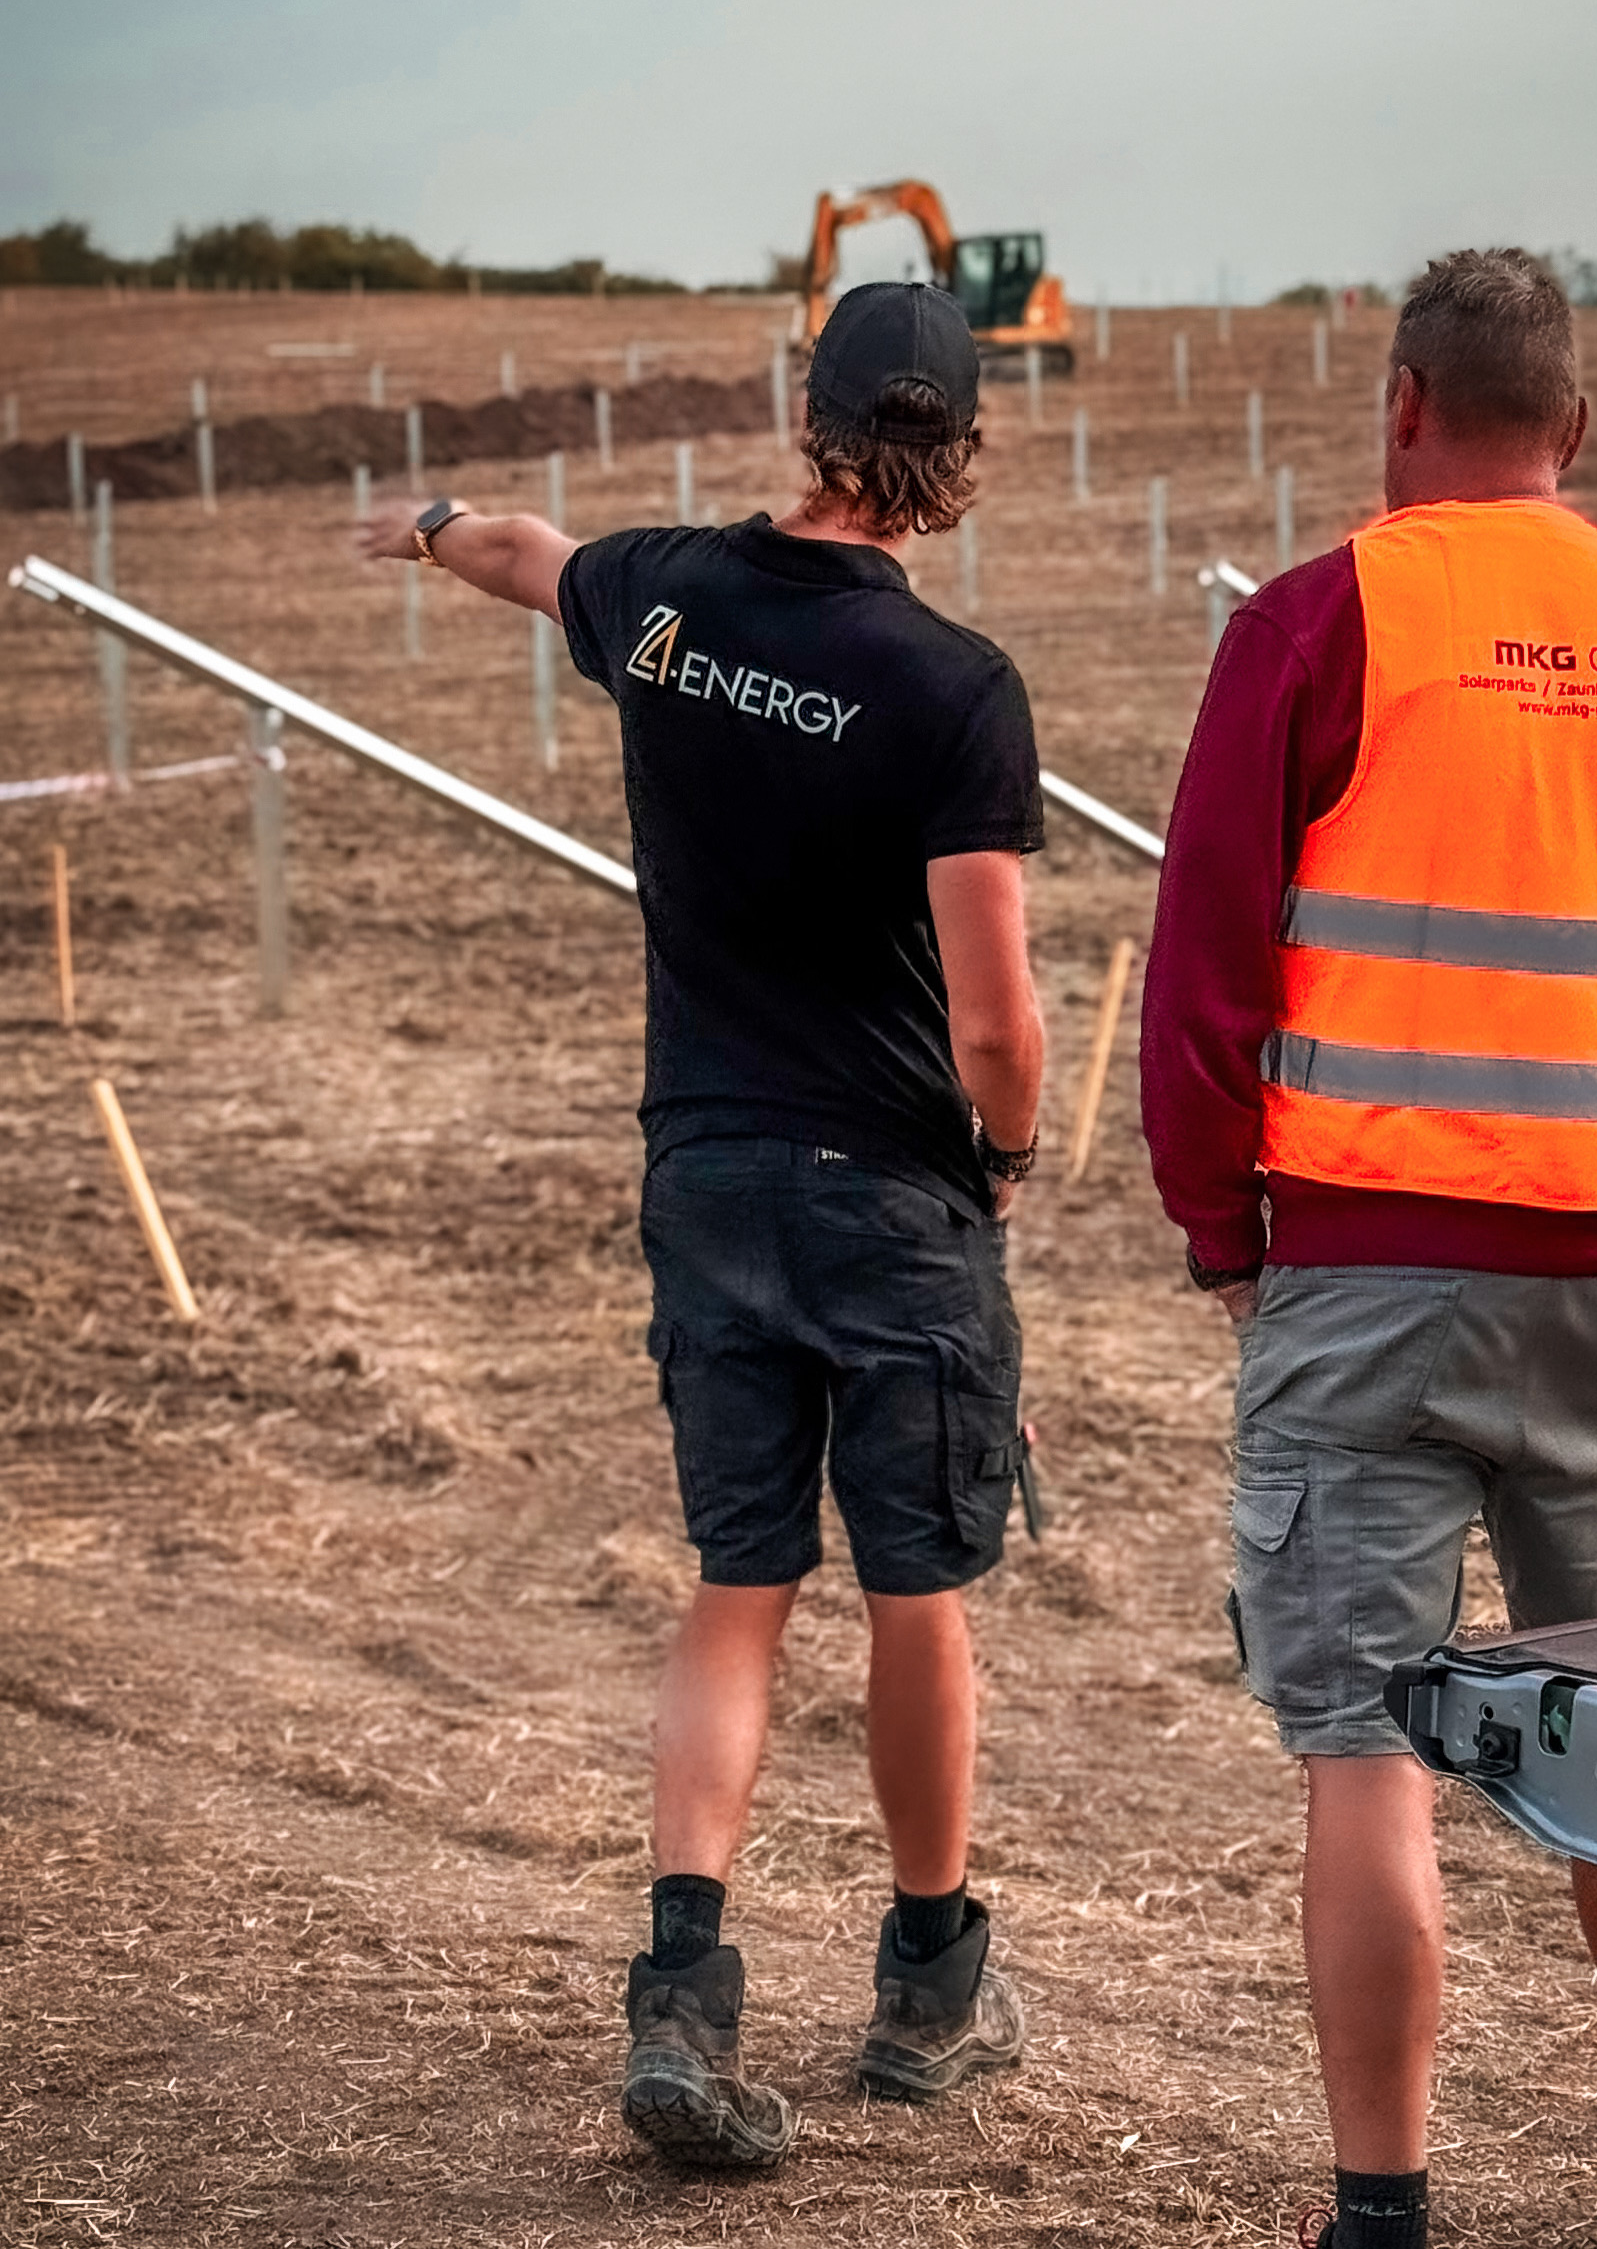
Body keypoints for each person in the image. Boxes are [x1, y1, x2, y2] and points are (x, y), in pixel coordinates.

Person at [1140, 250, 1597, 2249]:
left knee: (1363, 1744)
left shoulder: (1320, 615)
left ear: (1404, 407)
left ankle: (1381, 2215)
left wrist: (1222, 1234)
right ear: (1579, 433)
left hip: (1362, 1272)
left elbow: (1205, 971)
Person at [359, 281, 1045, 2173]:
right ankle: (926, 1993)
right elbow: (995, 1023)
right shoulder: (951, 687)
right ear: (954, 451)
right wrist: (1008, 1156)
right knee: (917, 1589)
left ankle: (682, 1984)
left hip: (707, 1174)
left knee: (738, 1583)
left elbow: (521, 549)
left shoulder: (662, 595)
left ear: (804, 418)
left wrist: (424, 529)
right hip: (891, 1196)